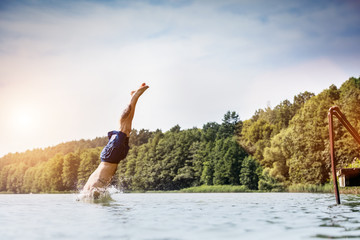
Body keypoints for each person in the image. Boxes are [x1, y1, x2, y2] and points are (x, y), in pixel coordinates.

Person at [82, 83, 149, 197]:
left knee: (123, 127)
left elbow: (94, 191)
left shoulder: (93, 188)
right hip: (112, 157)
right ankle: (133, 98)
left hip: (111, 156)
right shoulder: (86, 189)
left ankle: (134, 97)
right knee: (127, 129)